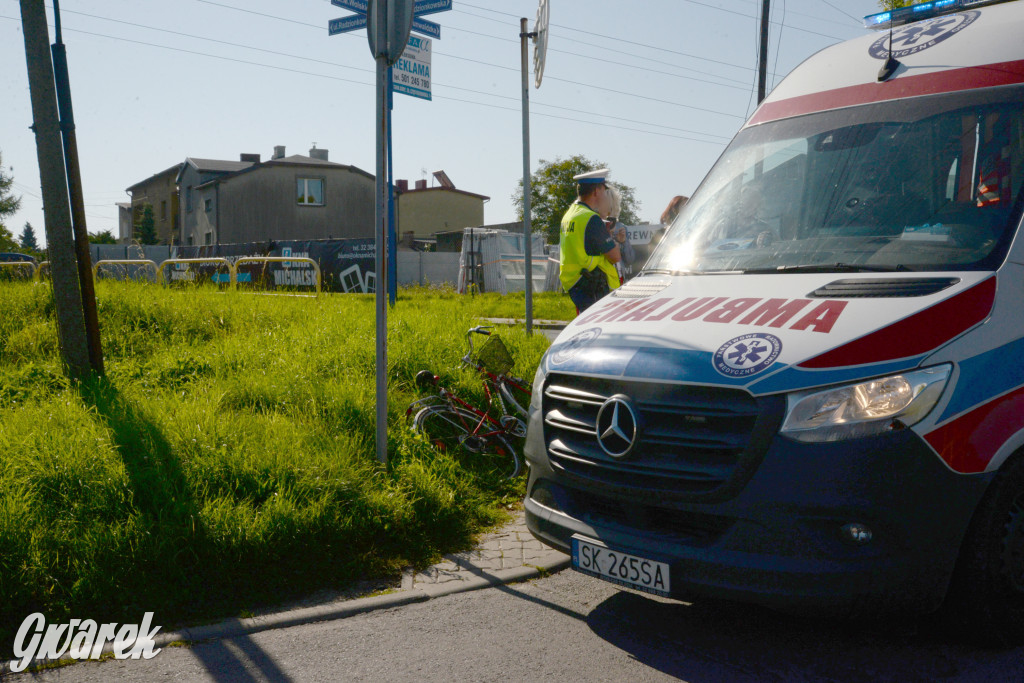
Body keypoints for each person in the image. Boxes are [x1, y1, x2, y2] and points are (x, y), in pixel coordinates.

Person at [559, 168, 621, 314]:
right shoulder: (591, 218)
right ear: (596, 192)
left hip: (575, 283)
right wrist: (610, 234)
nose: (605, 195)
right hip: (592, 284)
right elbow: (615, 256)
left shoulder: (570, 215)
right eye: (604, 191)